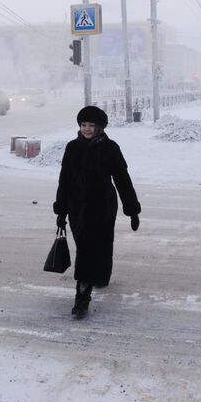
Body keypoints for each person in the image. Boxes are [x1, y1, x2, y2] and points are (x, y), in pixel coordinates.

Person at [53, 106, 141, 319]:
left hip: (102, 206)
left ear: (99, 127)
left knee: (97, 246)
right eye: (83, 125)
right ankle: (94, 279)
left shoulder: (110, 148)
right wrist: (62, 210)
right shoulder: (72, 147)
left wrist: (132, 209)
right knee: (86, 247)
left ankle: (82, 296)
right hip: (77, 207)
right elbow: (64, 179)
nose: (87, 129)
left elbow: (122, 180)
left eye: (91, 125)